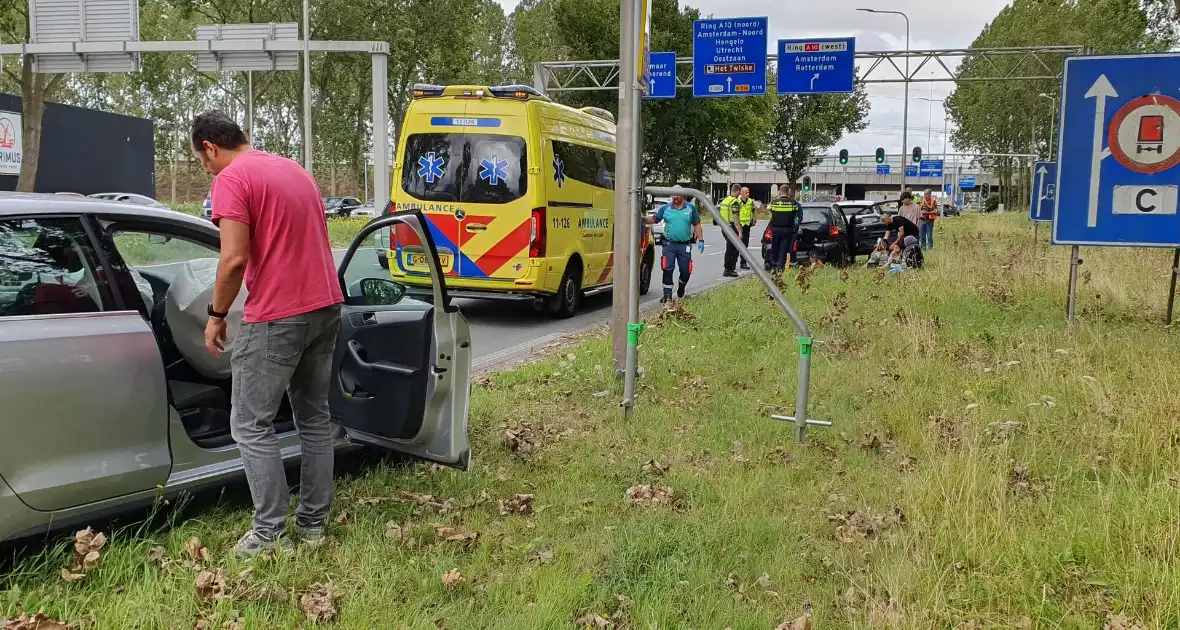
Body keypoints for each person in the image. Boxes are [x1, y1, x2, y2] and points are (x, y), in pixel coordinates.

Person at [193, 110, 345, 555]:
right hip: (325, 305)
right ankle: (313, 526)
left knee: (249, 424)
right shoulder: (293, 169)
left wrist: (216, 314)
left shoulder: (232, 179)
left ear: (210, 147)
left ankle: (269, 534)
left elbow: (233, 259)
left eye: (202, 161)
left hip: (278, 315)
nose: (206, 170)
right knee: (314, 418)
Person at [645, 187, 703, 302]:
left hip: (684, 245)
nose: (675, 198)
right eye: (673, 195)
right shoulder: (666, 208)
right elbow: (654, 219)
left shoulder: (690, 208)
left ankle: (681, 287)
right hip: (669, 245)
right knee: (667, 268)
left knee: (686, 270)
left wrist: (701, 240)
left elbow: (696, 224)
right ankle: (667, 296)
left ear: (683, 195)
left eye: (678, 195)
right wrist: (641, 219)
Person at [767, 185, 802, 274]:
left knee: (774, 248)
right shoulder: (793, 203)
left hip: (776, 229)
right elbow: (798, 217)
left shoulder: (774, 203)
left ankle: (772, 266)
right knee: (783, 250)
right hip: (788, 230)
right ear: (788, 192)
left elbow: (770, 213)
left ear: (780, 192)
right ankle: (780, 269)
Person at [719, 183, 743, 277]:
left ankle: (729, 268)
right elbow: (735, 217)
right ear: (738, 191)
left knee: (730, 247)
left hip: (724, 226)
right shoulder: (734, 202)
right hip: (732, 227)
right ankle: (729, 269)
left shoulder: (725, 200)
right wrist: (740, 231)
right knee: (732, 249)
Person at [737, 187, 756, 271]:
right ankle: (732, 263)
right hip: (738, 226)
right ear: (741, 193)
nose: (748, 194)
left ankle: (743, 263)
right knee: (736, 245)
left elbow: (753, 211)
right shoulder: (737, 202)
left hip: (747, 225)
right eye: (746, 193)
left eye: (748, 192)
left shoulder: (751, 201)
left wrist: (754, 219)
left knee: (745, 245)